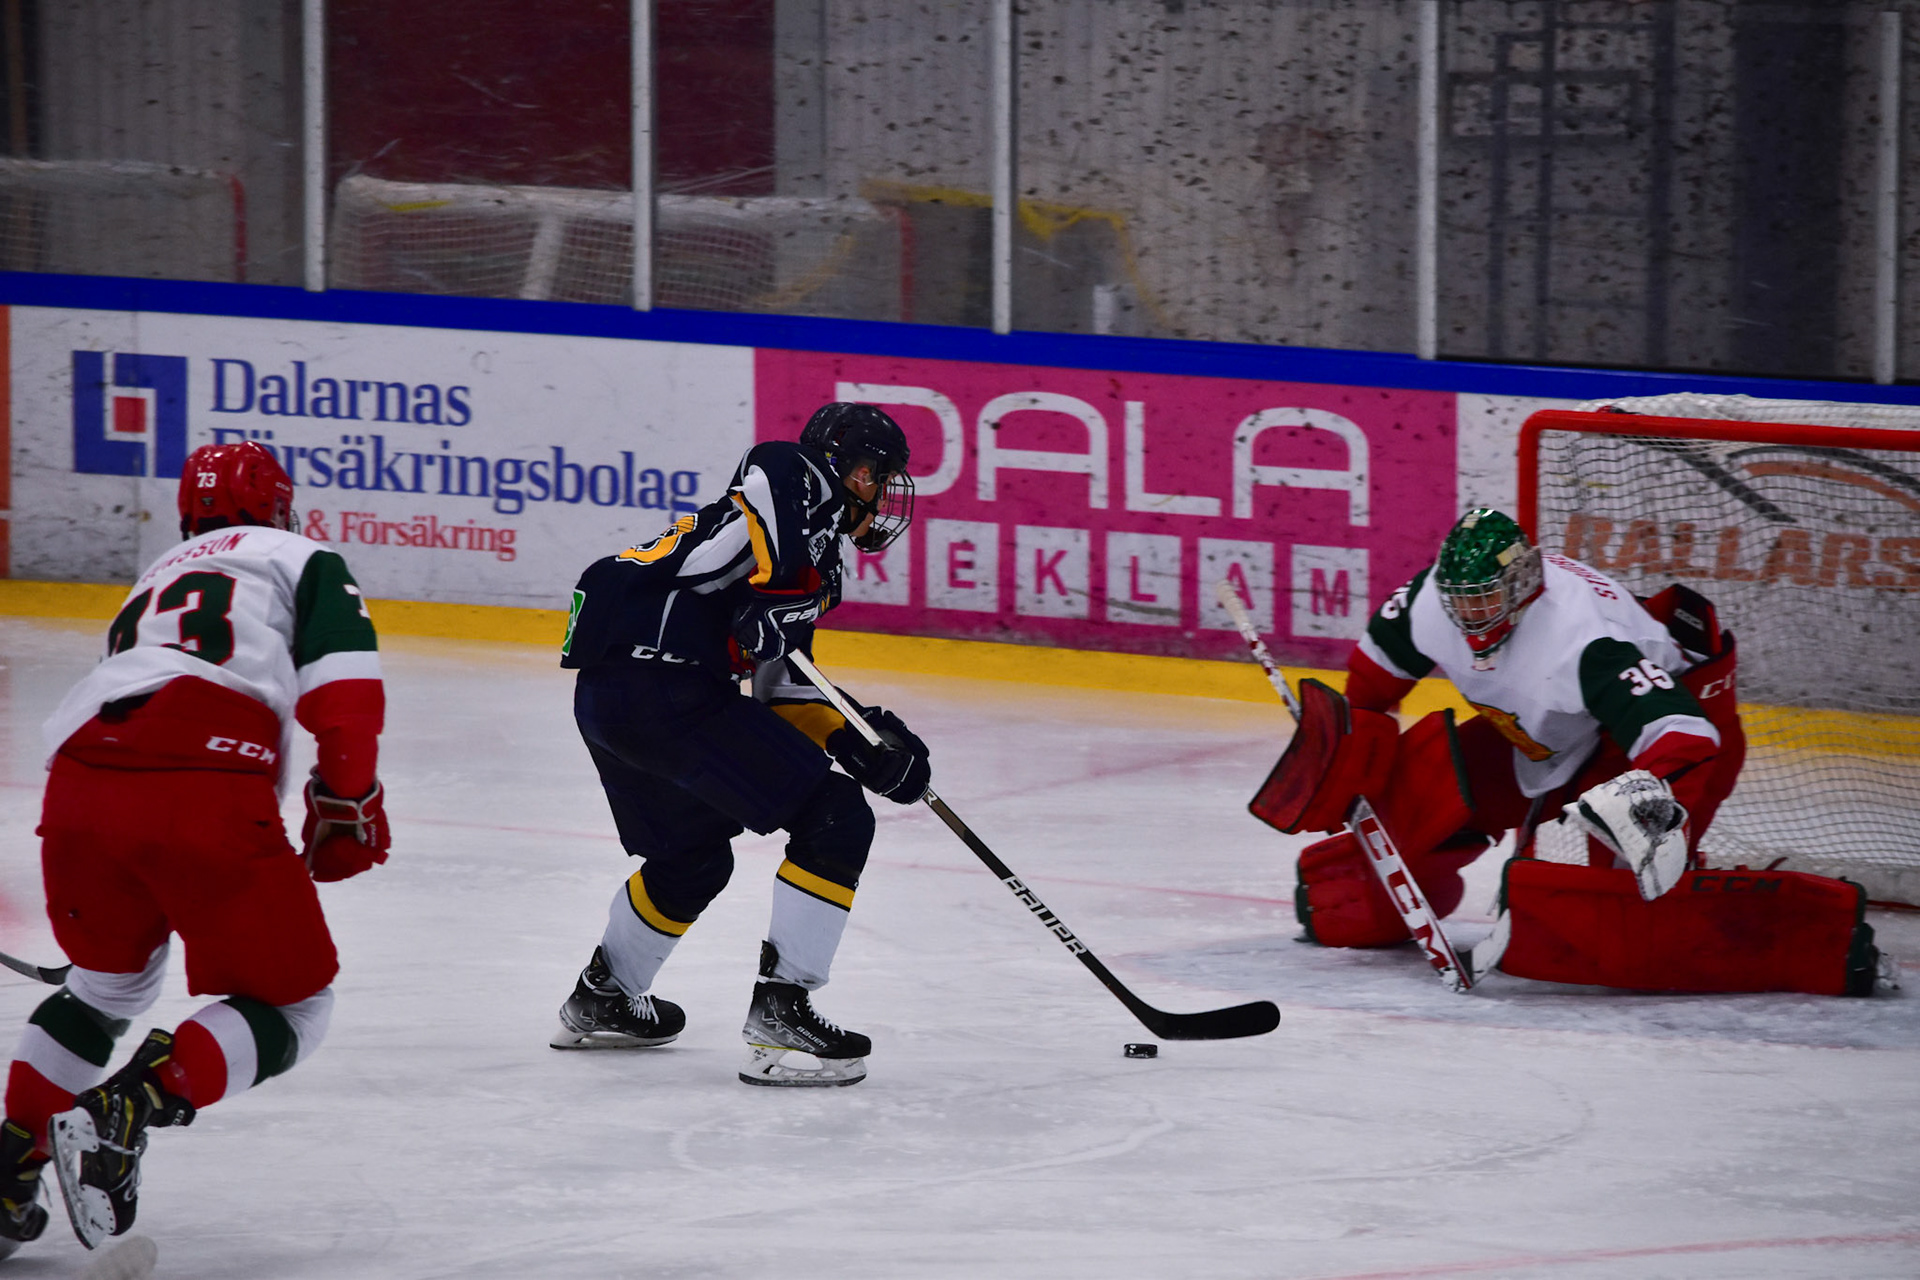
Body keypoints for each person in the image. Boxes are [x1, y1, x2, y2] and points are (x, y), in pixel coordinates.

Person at [0, 441, 390, 1254]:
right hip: (205, 779)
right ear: (279, 505)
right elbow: (346, 695)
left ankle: (10, 1170)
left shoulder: (155, 575)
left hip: (78, 781)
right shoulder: (300, 556)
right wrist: (348, 800)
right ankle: (130, 1105)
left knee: (102, 987)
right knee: (295, 1004)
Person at [1254, 507, 1883, 996]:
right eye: (1459, 600)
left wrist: (1645, 797)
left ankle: (1815, 934)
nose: (1468, 616)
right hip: (1543, 734)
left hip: (1650, 738)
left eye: (1483, 599)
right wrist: (1342, 748)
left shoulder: (1584, 642)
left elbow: (1688, 738)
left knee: (1615, 925)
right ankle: (1367, 892)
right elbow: (1368, 693)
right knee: (1403, 822)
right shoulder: (1428, 603)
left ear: (1522, 583)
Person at [552, 402, 931, 1086]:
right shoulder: (790, 482)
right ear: (847, 469)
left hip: (617, 700)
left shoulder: (812, 561)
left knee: (692, 858)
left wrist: (862, 740)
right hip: (662, 687)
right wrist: (781, 595)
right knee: (835, 818)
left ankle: (604, 996)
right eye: (876, 475)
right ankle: (783, 1013)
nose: (881, 495)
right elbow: (772, 465)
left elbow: (782, 685)